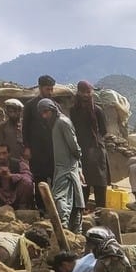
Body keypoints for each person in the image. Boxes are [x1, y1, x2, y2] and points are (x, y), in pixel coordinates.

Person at [38, 98, 84, 232]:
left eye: (46, 112)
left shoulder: (63, 122)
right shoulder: (56, 124)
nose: (44, 116)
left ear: (52, 110)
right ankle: (71, 229)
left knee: (61, 196)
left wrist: (77, 161)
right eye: (42, 113)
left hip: (67, 166)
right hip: (62, 166)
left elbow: (74, 146)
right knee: (71, 197)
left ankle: (65, 227)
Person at [70, 80, 110, 209]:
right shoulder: (73, 111)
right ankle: (81, 216)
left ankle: (101, 215)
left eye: (88, 92)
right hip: (82, 152)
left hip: (97, 152)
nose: (86, 95)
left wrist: (94, 144)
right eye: (84, 92)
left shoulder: (97, 110)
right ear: (79, 93)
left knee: (100, 186)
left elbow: (103, 131)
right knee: (83, 185)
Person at [22, 75, 57, 187]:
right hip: (36, 149)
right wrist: (27, 147)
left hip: (52, 149)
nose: (50, 92)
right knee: (39, 180)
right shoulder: (30, 105)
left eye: (52, 89)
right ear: (40, 88)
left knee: (55, 179)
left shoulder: (55, 106)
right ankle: (40, 204)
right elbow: (25, 127)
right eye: (48, 89)